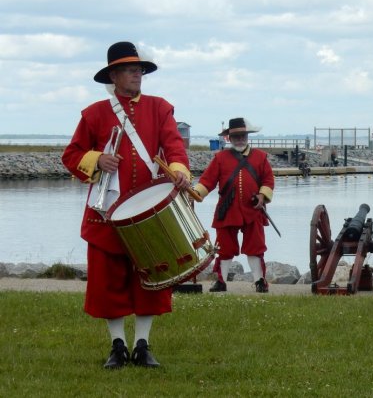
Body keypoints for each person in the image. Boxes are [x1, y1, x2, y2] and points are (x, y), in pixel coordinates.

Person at [62, 41, 191, 368]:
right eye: (131, 69)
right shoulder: (94, 114)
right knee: (109, 280)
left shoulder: (160, 108)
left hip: (149, 212)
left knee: (151, 279)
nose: (138, 74)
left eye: (140, 69)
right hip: (107, 213)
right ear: (114, 75)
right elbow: (71, 156)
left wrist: (177, 170)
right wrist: (97, 159)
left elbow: (174, 147)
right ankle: (117, 346)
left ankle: (142, 345)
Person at [193, 118, 275, 293]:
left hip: (253, 210)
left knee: (255, 246)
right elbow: (207, 181)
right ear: (229, 138)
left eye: (242, 135)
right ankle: (221, 281)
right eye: (236, 136)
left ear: (247, 136)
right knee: (224, 247)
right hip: (227, 210)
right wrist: (194, 194)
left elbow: (268, 180)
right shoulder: (220, 158)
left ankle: (260, 281)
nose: (240, 139)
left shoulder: (261, 157)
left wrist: (262, 195)